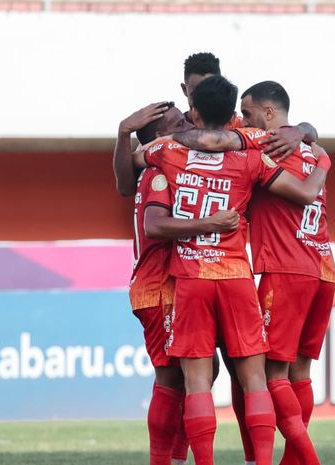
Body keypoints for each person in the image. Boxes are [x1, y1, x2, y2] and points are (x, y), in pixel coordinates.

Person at [130, 75, 331, 465]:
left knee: (197, 382)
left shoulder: (167, 152)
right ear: (234, 116)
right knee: (256, 378)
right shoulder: (253, 152)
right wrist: (314, 146)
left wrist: (128, 135)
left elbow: (133, 168)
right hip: (238, 276)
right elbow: (301, 180)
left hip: (190, 279)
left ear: (196, 111)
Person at [114, 103, 239, 465]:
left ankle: (176, 458)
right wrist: (211, 224)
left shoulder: (169, 167)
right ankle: (163, 460)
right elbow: (155, 226)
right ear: (157, 138)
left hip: (165, 286)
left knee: (203, 371)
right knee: (173, 378)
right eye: (177, 122)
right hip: (159, 288)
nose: (186, 124)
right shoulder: (157, 172)